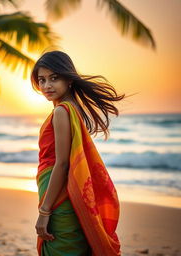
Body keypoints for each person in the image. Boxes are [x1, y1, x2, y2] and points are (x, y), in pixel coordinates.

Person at [30, 50, 126, 256]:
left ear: (69, 79)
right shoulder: (72, 108)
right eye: (42, 80)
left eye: (54, 78)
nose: (47, 86)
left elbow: (62, 164)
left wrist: (44, 211)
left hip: (58, 196)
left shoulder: (61, 112)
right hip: (64, 193)